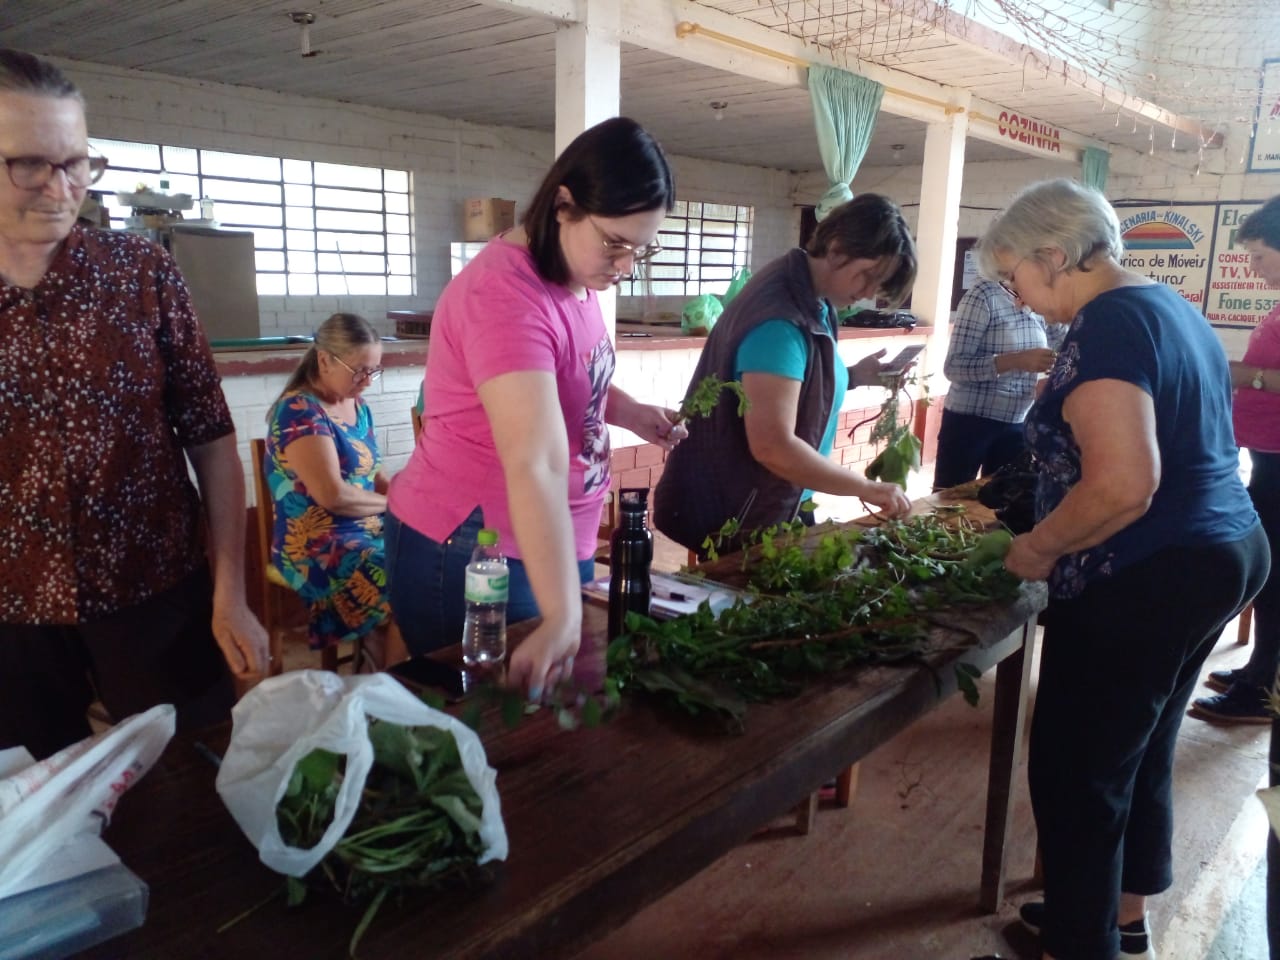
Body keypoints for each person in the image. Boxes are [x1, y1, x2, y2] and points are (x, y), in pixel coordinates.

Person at [972, 178, 1268, 960]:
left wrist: (1035, 551)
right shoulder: (1166, 305)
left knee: (1077, 770)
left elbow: (1123, 484)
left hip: (1152, 571)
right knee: (1137, 750)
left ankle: (1081, 945)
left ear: (1055, 255)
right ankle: (1118, 918)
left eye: (1016, 276)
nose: (1018, 295)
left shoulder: (1108, 327)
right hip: (1222, 551)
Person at [0, 49, 267, 759]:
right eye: (30, 163)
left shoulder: (140, 271)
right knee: (37, 807)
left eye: (77, 163)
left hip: (157, 587)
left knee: (197, 777)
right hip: (11, 611)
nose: (61, 189)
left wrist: (230, 592)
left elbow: (210, 439)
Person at [386, 116, 684, 700]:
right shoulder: (503, 295)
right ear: (565, 205)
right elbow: (536, 461)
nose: (624, 266)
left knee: (535, 719)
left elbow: (569, 380)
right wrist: (563, 614)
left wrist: (630, 412)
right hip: (478, 546)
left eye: (640, 250)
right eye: (616, 243)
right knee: (490, 723)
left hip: (546, 541)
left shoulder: (574, 279)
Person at [653, 193, 915, 555]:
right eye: (867, 276)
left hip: (779, 498)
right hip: (744, 510)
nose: (869, 293)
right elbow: (773, 446)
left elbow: (795, 382)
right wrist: (865, 488)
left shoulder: (815, 298)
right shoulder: (780, 321)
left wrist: (853, 376)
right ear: (837, 250)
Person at [1190, 194, 1280, 725]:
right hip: (1266, 454)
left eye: (1260, 256)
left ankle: (1260, 691)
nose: (1253, 268)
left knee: (1275, 574)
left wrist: (1248, 377)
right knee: (1269, 571)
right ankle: (1259, 669)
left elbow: (1264, 375)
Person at [264, 312, 392, 662]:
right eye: (360, 370)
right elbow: (332, 496)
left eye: (374, 370)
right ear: (324, 360)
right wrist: (392, 504)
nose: (367, 380)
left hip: (365, 527)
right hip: (316, 545)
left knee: (428, 554)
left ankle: (392, 665)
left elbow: (375, 475)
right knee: (394, 572)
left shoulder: (358, 406)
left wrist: (403, 492)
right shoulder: (299, 411)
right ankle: (389, 675)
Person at [932, 278, 1062, 490]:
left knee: (1004, 502)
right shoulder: (985, 294)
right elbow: (953, 367)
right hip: (970, 422)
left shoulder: (1037, 299)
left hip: (1017, 421)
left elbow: (1065, 342)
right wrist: (1016, 360)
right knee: (949, 499)